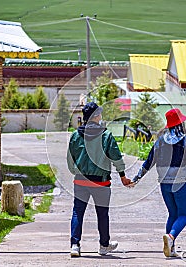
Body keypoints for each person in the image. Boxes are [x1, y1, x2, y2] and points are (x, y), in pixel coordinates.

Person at [67, 102, 132, 257]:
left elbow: (70, 160)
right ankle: (104, 246)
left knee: (77, 212)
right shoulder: (106, 135)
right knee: (102, 213)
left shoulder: (75, 135)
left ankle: (75, 245)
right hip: (101, 182)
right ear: (96, 116)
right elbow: (116, 157)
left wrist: (77, 172)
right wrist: (122, 175)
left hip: (80, 181)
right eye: (99, 114)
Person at [132, 108, 186, 257]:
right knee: (184, 215)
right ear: (180, 123)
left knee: (172, 213)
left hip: (164, 183)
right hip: (181, 182)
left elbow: (149, 162)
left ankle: (171, 249)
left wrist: (137, 178)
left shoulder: (160, 141)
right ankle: (171, 237)